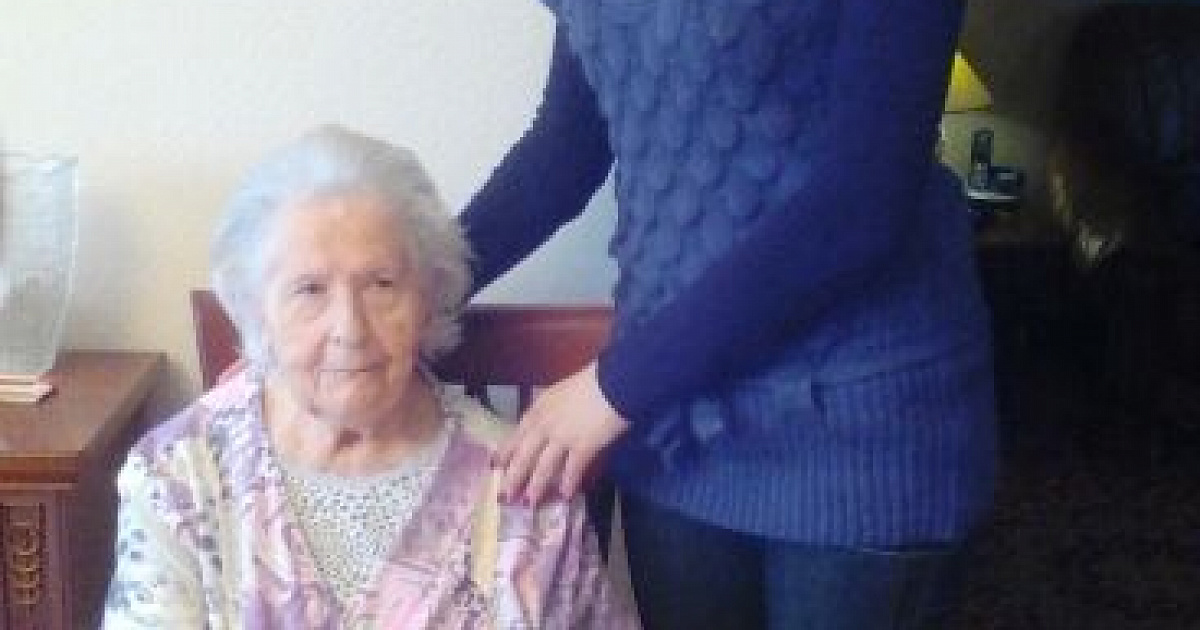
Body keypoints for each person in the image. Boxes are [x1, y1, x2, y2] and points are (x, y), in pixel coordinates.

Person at [461, 1, 996, 627]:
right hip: (676, 426)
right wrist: (412, 288)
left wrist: (616, 387)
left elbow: (862, 200)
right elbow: (563, 152)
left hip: (856, 423)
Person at [102, 126, 639, 628]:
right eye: (310, 290)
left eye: (381, 285)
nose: (350, 329)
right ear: (254, 309)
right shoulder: (178, 477)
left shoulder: (522, 492)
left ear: (428, 297)